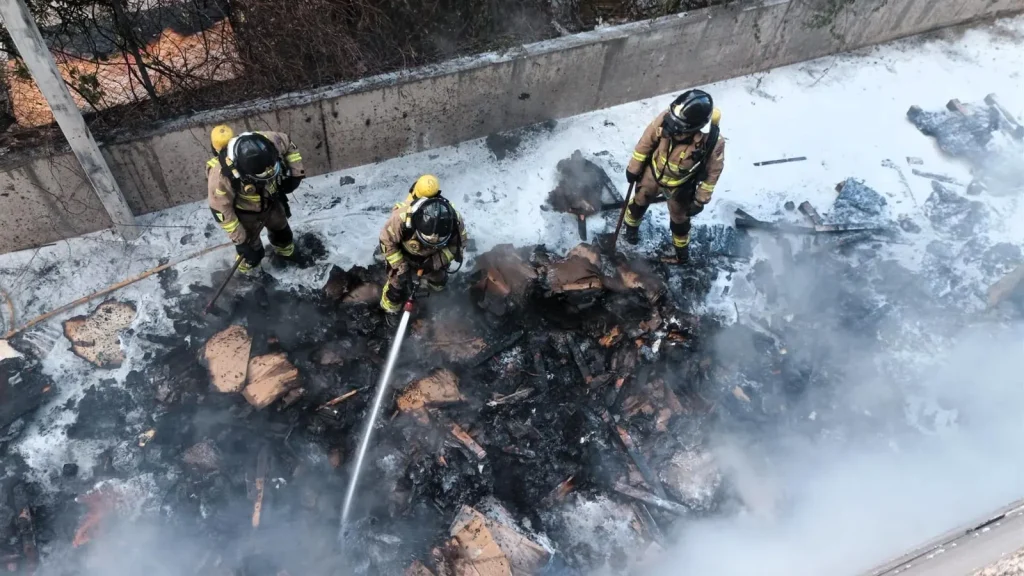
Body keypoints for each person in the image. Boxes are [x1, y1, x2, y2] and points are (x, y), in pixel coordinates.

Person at [623, 89, 725, 263]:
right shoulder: (667, 118)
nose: (672, 123)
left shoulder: (712, 141)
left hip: (681, 185)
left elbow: (713, 173)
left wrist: (700, 199)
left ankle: (681, 252)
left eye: (678, 123)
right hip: (653, 174)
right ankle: (630, 230)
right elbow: (646, 142)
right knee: (638, 203)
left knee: (680, 221)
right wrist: (634, 168)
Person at [206, 126, 306, 273]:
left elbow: (288, 144)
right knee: (251, 254)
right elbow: (221, 210)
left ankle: (286, 255)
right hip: (246, 214)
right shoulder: (221, 175)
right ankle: (249, 274)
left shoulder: (269, 141)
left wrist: (295, 174)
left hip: (272, 202)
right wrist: (240, 240)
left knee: (283, 235)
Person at [378, 175, 468, 314]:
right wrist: (402, 268)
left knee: (439, 283)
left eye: (438, 240)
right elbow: (386, 241)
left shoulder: (454, 221)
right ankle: (390, 311)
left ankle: (435, 298)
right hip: (404, 256)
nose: (432, 242)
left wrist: (434, 263)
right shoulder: (401, 218)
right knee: (395, 290)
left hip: (433, 259)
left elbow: (458, 246)